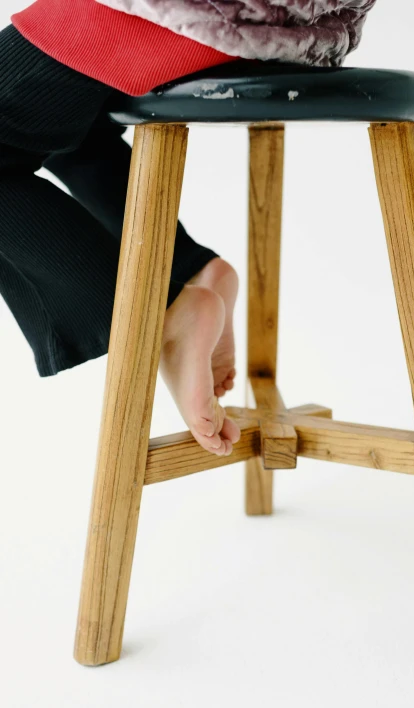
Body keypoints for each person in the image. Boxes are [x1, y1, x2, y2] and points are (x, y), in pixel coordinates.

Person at [0, 0, 375, 456]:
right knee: (66, 129)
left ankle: (171, 309)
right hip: (292, 25)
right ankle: (193, 268)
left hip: (202, 15)